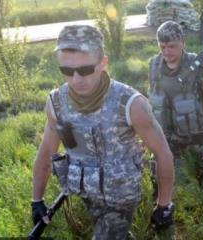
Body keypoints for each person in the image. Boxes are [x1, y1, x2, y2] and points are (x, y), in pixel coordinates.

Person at [31, 25, 175, 239]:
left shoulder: (130, 103)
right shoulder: (57, 103)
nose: (76, 79)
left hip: (120, 197)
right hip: (84, 191)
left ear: (103, 64)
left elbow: (163, 153)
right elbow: (46, 152)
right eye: (67, 71)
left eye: (85, 70)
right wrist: (37, 199)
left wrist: (164, 204)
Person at [148, 21, 203, 188]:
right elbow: (152, 100)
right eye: (162, 46)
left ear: (183, 42)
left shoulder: (199, 66)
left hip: (196, 138)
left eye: (172, 46)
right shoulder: (154, 65)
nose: (167, 51)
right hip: (165, 138)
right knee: (157, 179)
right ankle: (164, 210)